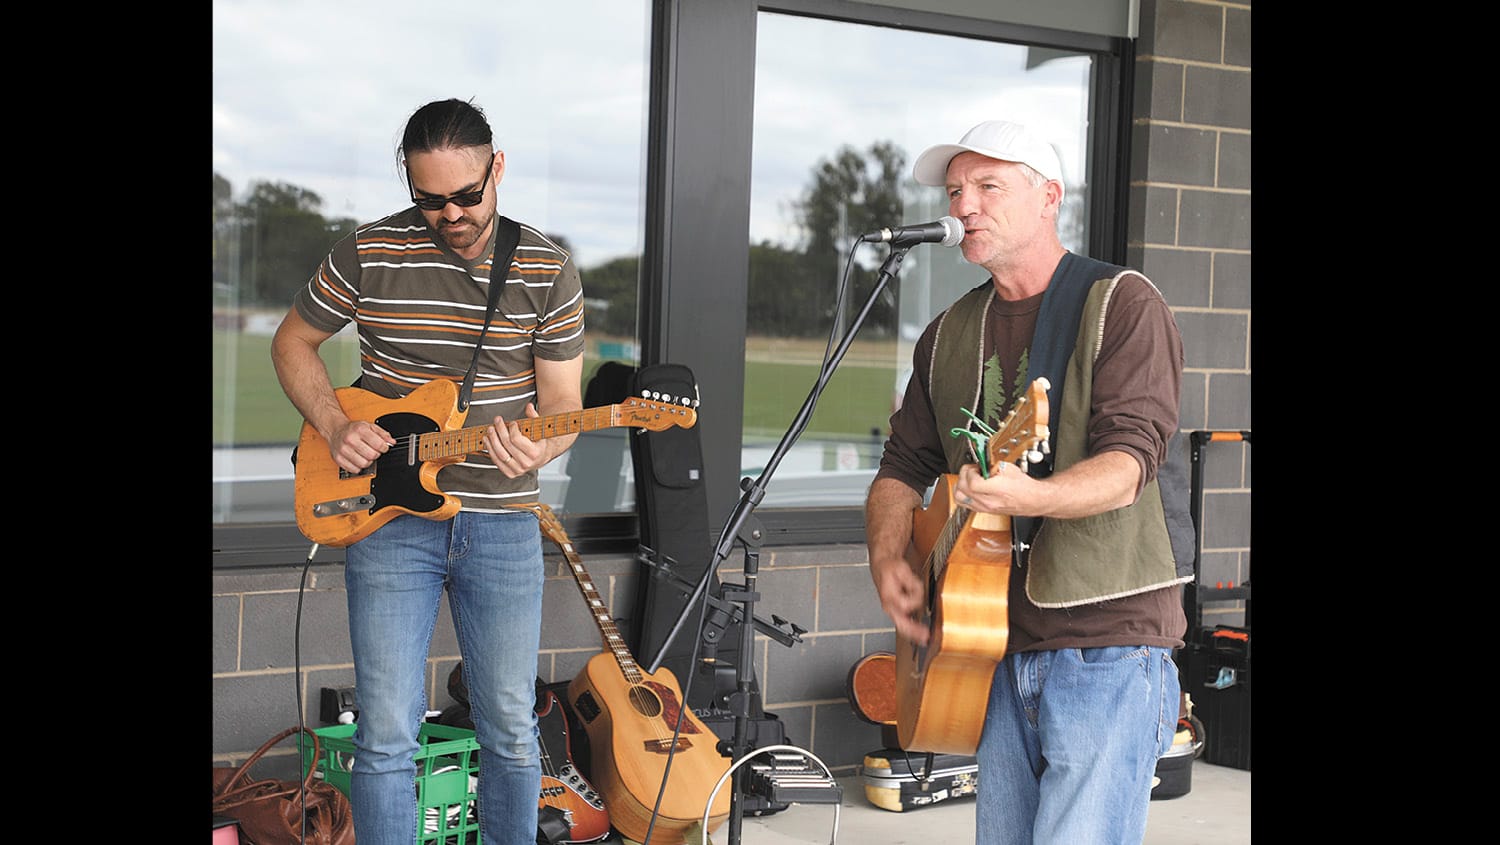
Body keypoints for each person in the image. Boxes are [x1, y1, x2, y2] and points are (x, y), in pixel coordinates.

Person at [864, 119, 1191, 844]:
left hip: (1109, 646)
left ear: (1050, 196)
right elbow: (899, 470)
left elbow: (1130, 463)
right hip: (995, 648)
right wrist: (890, 557)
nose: (964, 205)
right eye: (955, 190)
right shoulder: (948, 332)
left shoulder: (1123, 304)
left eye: (988, 185)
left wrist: (1031, 497)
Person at [270, 97, 585, 845]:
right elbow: (292, 344)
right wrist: (336, 424)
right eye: (430, 199)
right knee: (385, 731)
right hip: (387, 517)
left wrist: (541, 448)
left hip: (503, 519)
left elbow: (565, 402)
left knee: (510, 723)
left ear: (497, 167)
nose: (451, 214)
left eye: (467, 196)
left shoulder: (544, 267)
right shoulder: (368, 252)